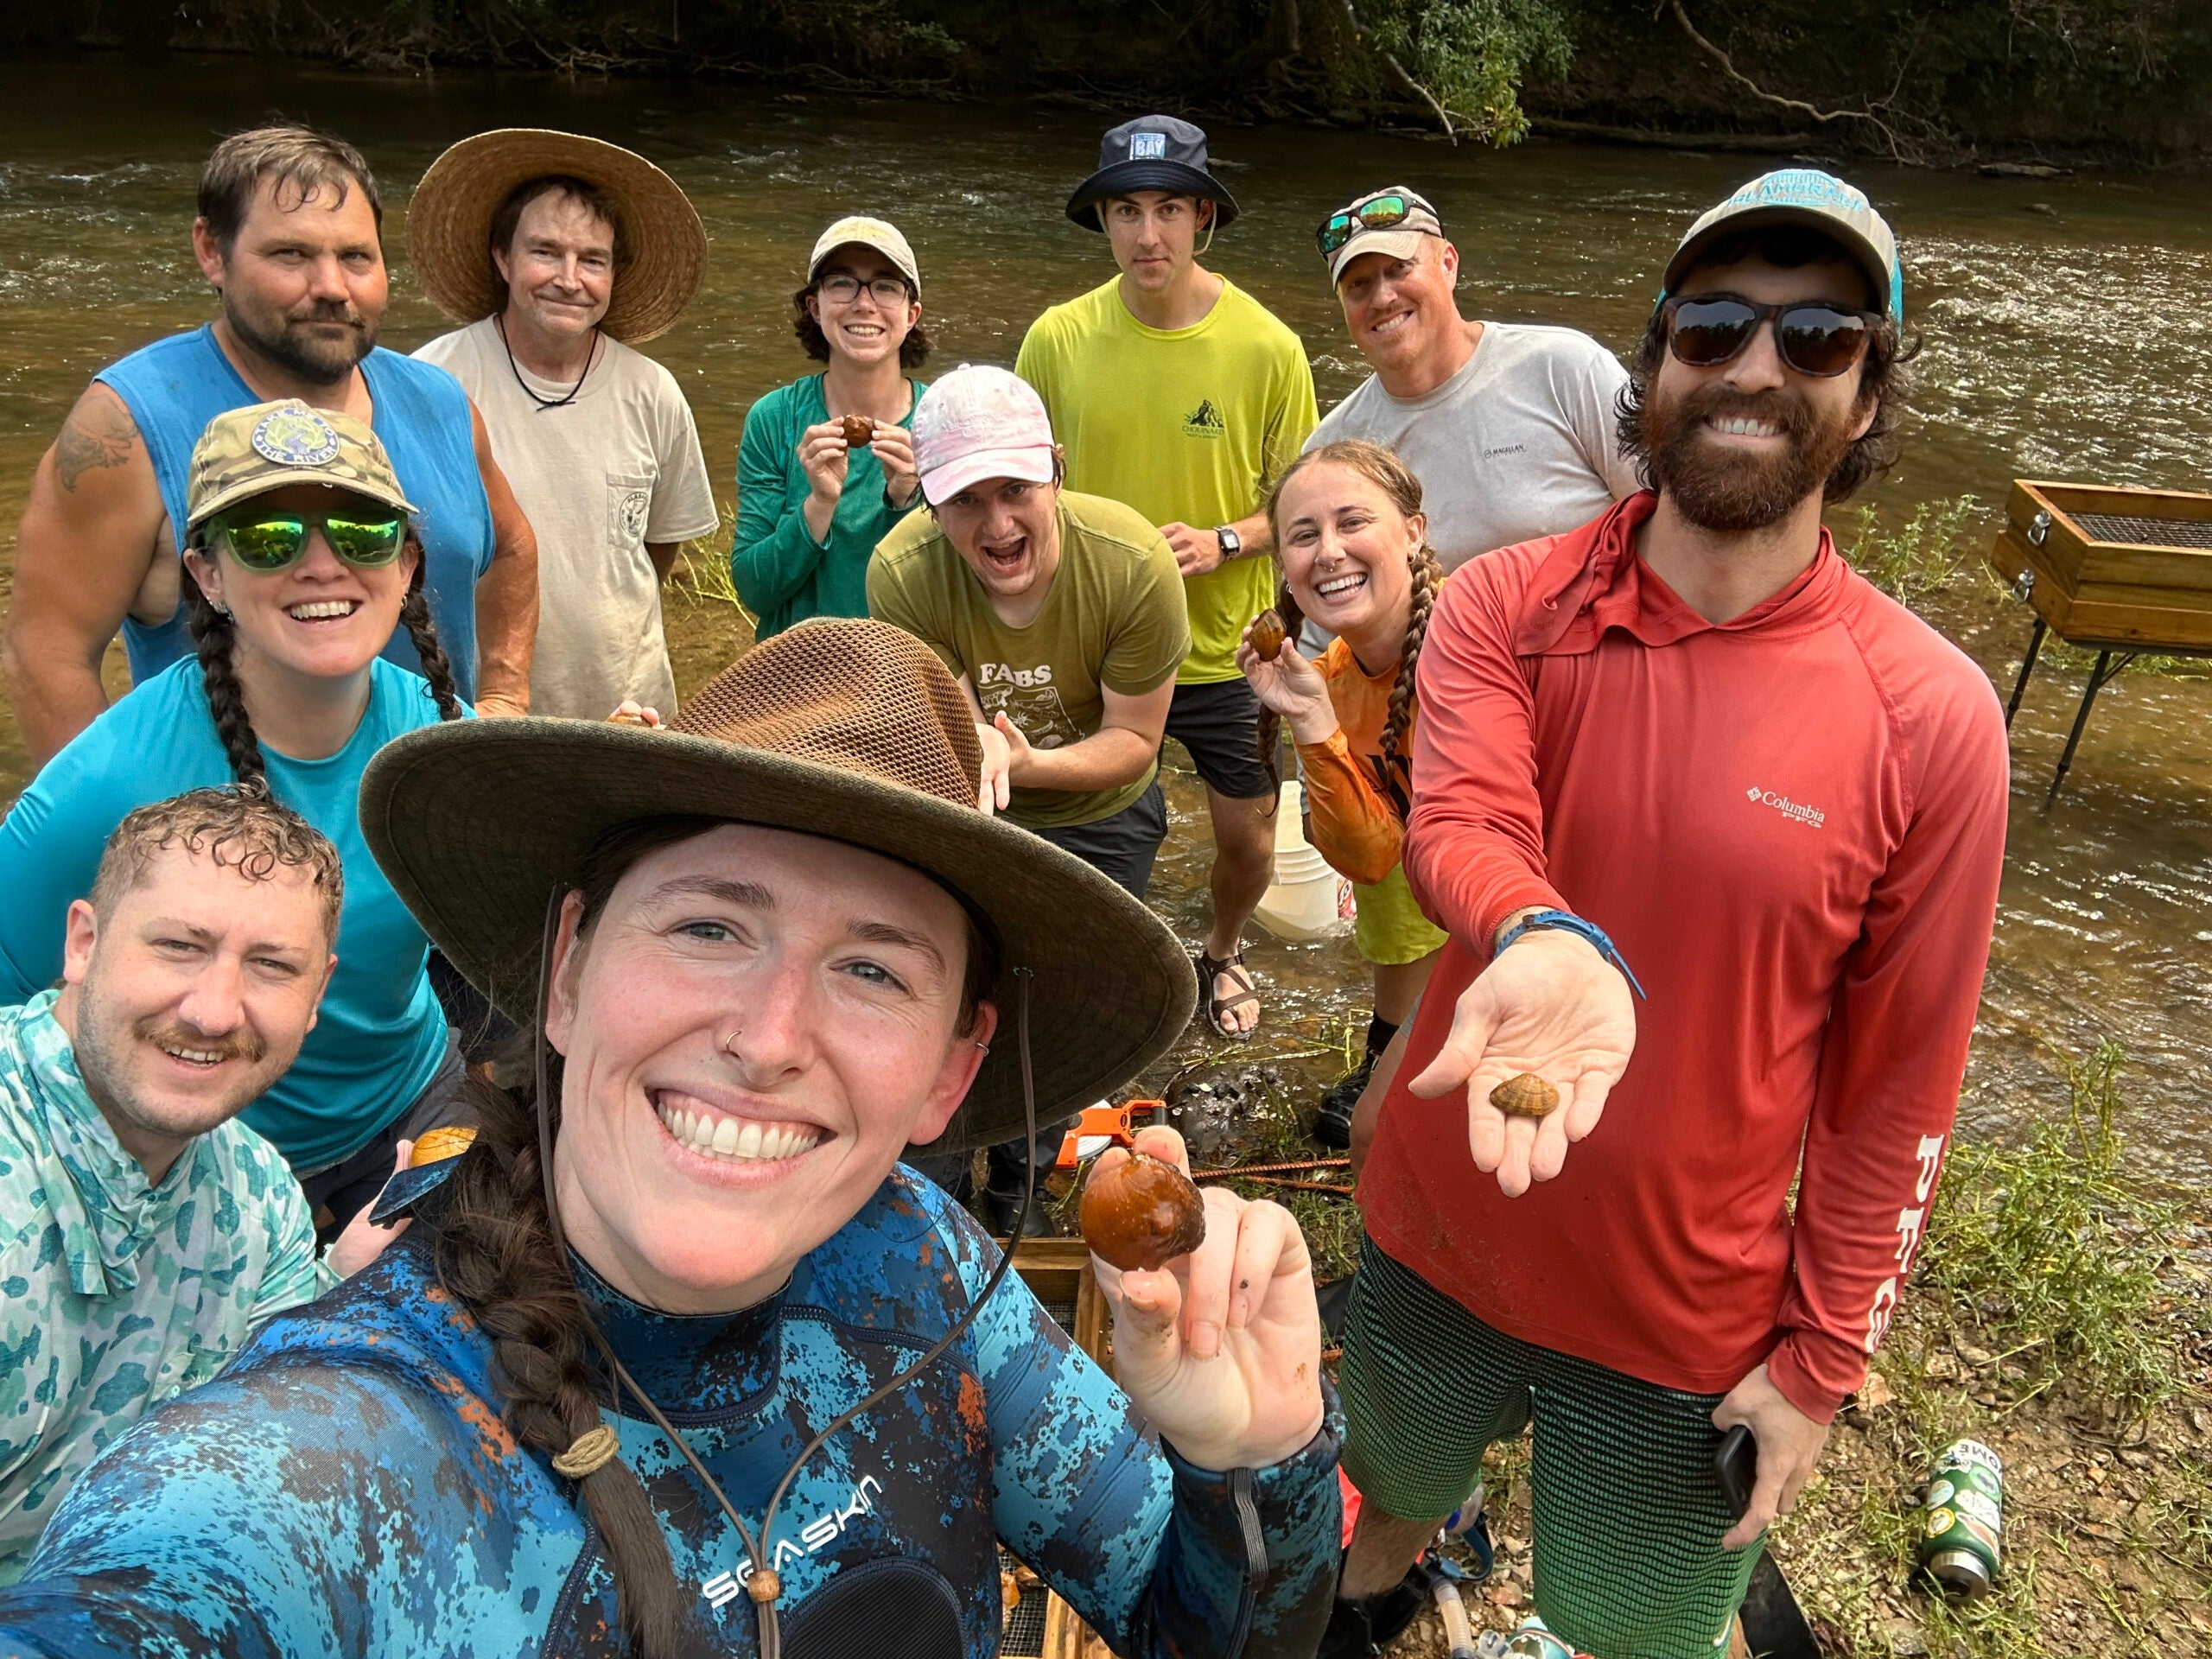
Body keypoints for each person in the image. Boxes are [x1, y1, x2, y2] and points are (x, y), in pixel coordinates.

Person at [0, 620, 1343, 1659]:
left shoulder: (929, 1270)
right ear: (569, 969)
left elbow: (1199, 1631)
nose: (767, 1037)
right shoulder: (315, 1467)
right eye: (709, 925)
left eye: (874, 971)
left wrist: (1251, 1460)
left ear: (952, 1071)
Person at [1326, 170, 2009, 1659]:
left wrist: (1821, 1367)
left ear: (1870, 395)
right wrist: (1546, 932)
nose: (1755, 365)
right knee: (1379, 1498)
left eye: (1818, 336)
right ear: (1654, 369)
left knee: (1631, 1629)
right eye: (1713, 325)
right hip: (1438, 1225)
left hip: (1687, 1314)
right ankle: (1378, 1602)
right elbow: (1461, 821)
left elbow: (1901, 1087)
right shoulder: (1505, 604)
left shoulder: (1934, 718)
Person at [0, 401, 474, 1235]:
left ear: (405, 567)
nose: (322, 565)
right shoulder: (110, 782)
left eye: (362, 533)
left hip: (410, 1107)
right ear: (207, 576)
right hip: (209, 1169)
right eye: (269, 537)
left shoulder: (443, 739)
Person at [3, 120, 537, 768]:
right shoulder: (128, 426)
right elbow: (47, 650)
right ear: (211, 250)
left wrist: (505, 700)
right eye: (291, 255)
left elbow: (511, 549)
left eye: (356, 257)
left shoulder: (441, 404)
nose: (333, 288)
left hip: (428, 823)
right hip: (229, 841)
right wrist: (129, 835)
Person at [0, 787, 410, 1583]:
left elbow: (267, 1439)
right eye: (181, 946)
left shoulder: (257, 1195)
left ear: (318, 993)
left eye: (271, 966)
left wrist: (342, 1291)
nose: (216, 1011)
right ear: (83, 942)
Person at [1017, 115, 1318, 1039]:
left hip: (1225, 646)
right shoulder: (1057, 340)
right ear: (1103, 223)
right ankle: (1092, 971)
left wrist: (1225, 541)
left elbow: (1303, 507)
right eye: (1126, 212)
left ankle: (1222, 950)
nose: (1148, 236)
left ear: (1202, 219)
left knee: (1248, 835)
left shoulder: (1267, 348)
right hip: (1092, 640)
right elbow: (1021, 489)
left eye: (1168, 211)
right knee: (1075, 832)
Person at [869, 364, 1187, 1233]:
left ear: (1056, 469)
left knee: (1068, 1008)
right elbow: (958, 738)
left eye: (1014, 489)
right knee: (950, 984)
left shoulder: (1131, 565)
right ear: (932, 507)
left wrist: (1030, 764)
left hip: (1100, 808)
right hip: (973, 793)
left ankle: (1022, 1180)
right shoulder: (901, 575)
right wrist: (991, 765)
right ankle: (929, 1189)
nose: (997, 523)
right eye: (966, 501)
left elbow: (1132, 743)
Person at [410, 131, 718, 721]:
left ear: (612, 275)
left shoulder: (654, 393)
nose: (569, 278)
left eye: (592, 260)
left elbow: (657, 549)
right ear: (502, 258)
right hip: (473, 707)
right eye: (545, 252)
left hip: (629, 707)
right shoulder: (434, 380)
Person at [1240, 442, 1447, 1152]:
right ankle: (1387, 1047)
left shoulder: (1479, 646)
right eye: (1304, 535)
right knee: (1377, 1132)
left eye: (1352, 522)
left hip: (1521, 926)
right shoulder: (1325, 676)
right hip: (1413, 909)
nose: (1328, 552)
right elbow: (1369, 857)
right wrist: (1310, 720)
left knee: (1377, 1136)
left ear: (1413, 532)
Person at [1308, 186, 1637, 573]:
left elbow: (1671, 518)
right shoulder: (1335, 446)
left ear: (1448, 265)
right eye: (1357, 285)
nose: (1382, 298)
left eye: (1400, 268)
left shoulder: (1565, 368)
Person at [734, 215, 930, 639]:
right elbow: (755, 590)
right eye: (842, 283)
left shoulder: (943, 420)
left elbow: (970, 588)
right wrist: (819, 503)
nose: (864, 303)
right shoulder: (774, 419)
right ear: (815, 306)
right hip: (793, 675)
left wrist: (905, 502)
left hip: (905, 679)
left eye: (885, 286)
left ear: (911, 314)